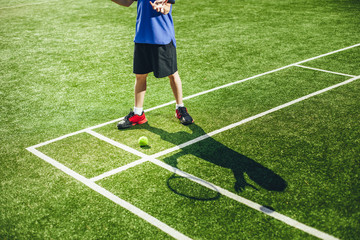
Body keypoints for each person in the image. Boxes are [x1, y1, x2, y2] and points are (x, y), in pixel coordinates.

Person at [113, 0, 194, 129]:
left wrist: (163, 7)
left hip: (162, 37)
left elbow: (167, 7)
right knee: (140, 76)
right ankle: (138, 113)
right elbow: (127, 2)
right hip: (142, 36)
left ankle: (180, 108)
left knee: (172, 74)